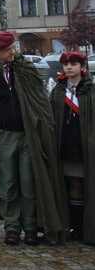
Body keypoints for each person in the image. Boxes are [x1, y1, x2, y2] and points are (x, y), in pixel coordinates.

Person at [0, 30, 65, 246]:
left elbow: (38, 100)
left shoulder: (24, 69)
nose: (13, 52)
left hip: (28, 133)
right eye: (8, 50)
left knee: (29, 181)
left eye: (13, 48)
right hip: (2, 134)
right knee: (9, 182)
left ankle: (31, 227)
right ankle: (12, 227)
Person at [50, 51, 94, 243]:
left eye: (73, 64)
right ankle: (75, 226)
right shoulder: (58, 91)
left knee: (89, 185)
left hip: (88, 144)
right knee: (73, 184)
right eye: (66, 64)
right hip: (67, 143)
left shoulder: (91, 90)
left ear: (82, 67)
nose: (69, 67)